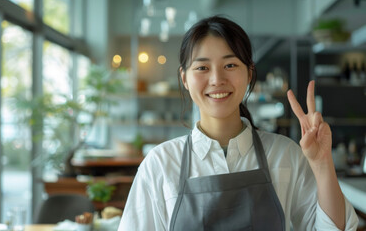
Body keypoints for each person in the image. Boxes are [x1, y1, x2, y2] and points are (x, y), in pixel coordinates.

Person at [118, 16, 359, 230]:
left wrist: (322, 163)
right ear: (184, 78)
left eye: (230, 65)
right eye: (202, 67)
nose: (217, 79)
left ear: (249, 73)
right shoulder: (160, 164)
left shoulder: (285, 154)